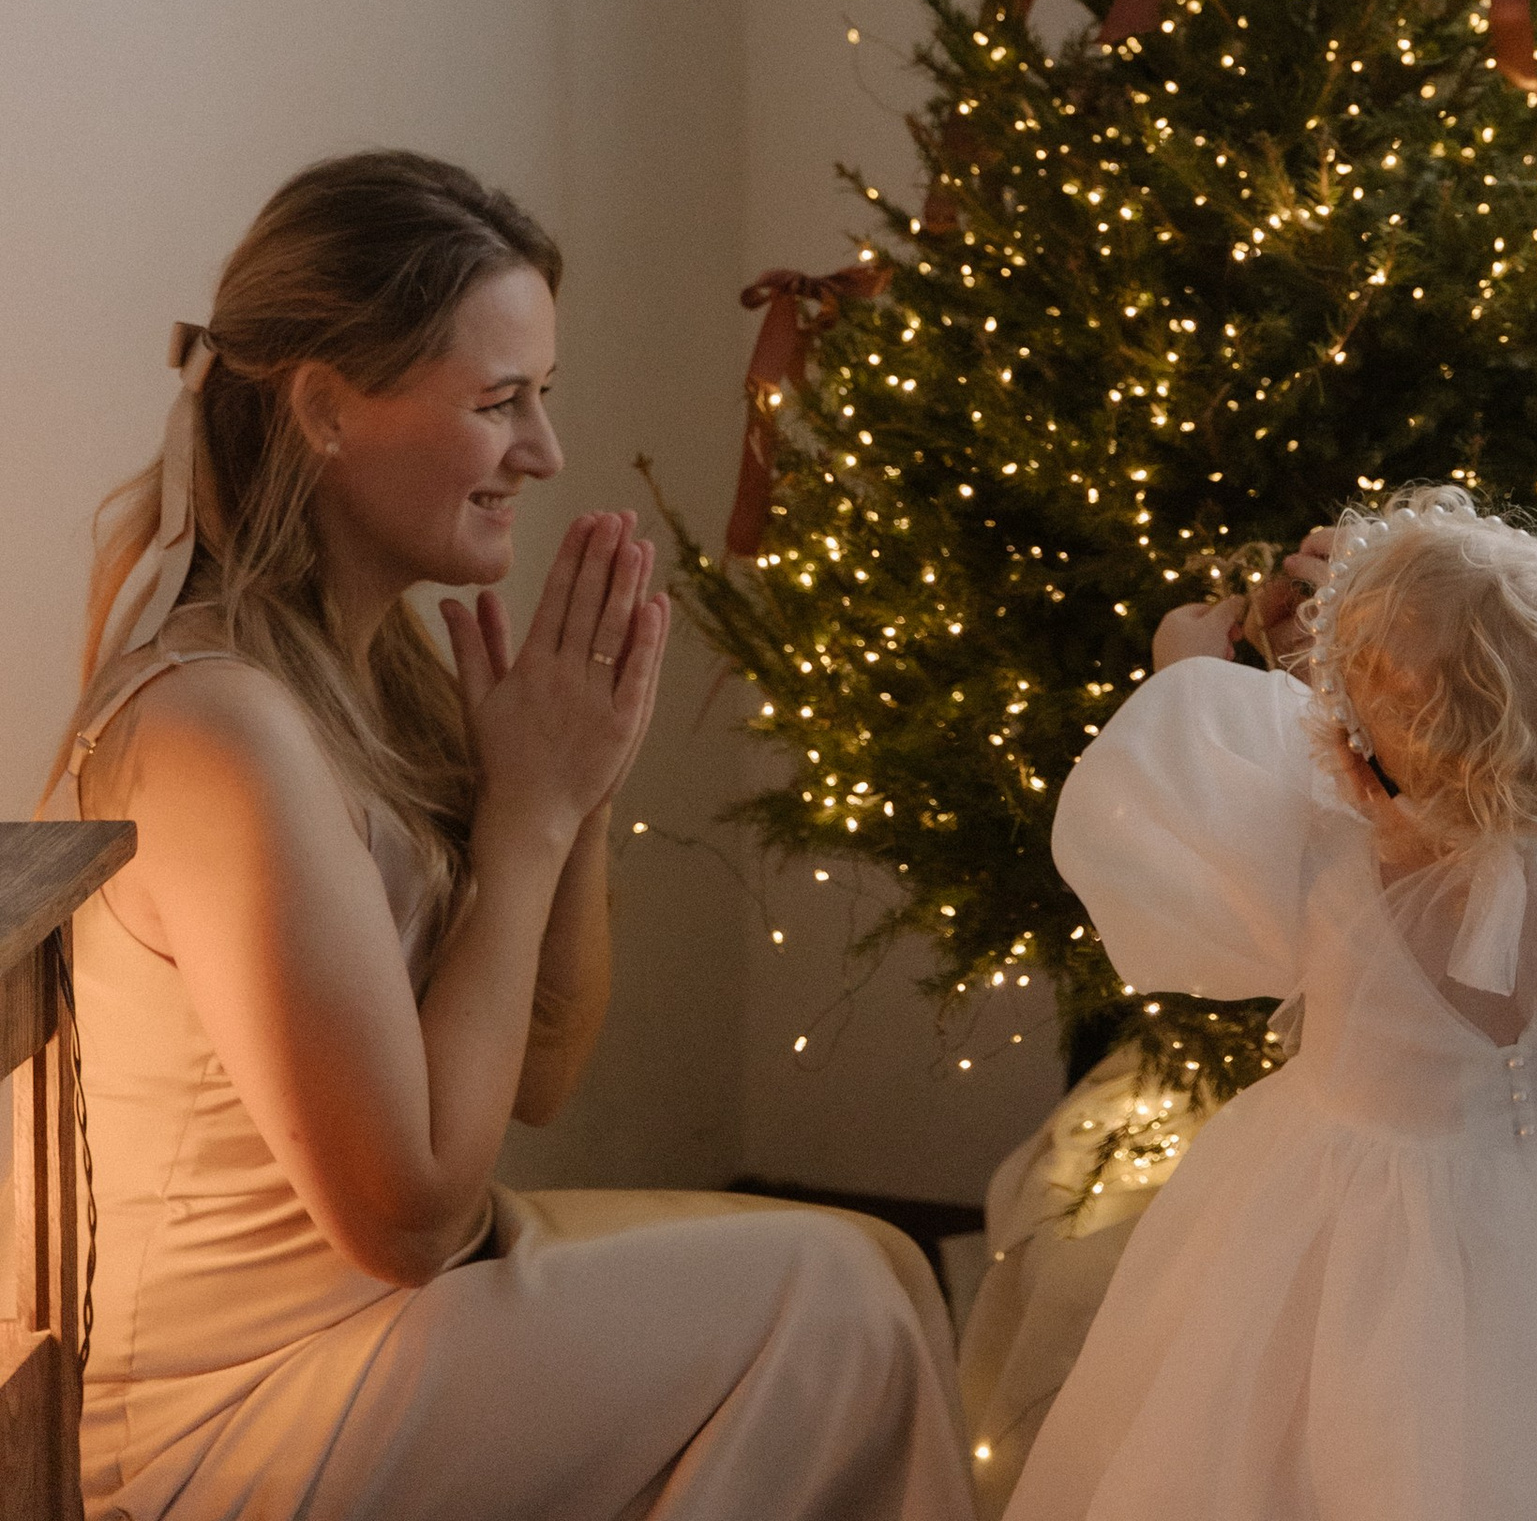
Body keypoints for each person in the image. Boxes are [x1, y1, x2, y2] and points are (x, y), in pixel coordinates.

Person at [49, 149, 972, 1521]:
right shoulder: (217, 725)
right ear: (324, 411)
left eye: (545, 397)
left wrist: (574, 792)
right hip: (237, 1415)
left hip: (391, 1326)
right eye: (500, 403)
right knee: (835, 1301)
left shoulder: (376, 671)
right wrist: (527, 819)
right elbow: (410, 1215)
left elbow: (539, 1065)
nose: (543, 451)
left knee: (884, 1270)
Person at [1010, 483, 1537, 1521]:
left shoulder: (1318, 866)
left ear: (1344, 745)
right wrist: (1476, 587)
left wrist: (1186, 664)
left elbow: (1180, 785)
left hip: (1355, 1223)